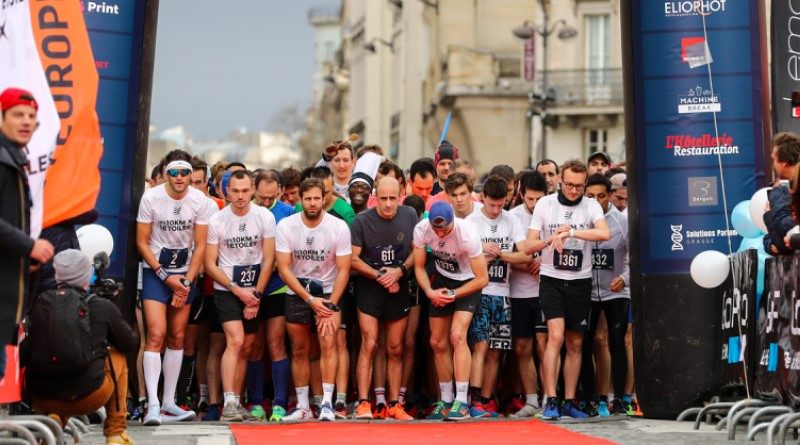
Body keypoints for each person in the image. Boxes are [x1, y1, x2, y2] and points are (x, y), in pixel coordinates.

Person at [524, 159, 609, 420]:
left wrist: (572, 232)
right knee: (556, 337)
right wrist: (551, 239)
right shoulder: (545, 204)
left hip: (580, 281)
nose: (573, 191)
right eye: (569, 185)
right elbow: (528, 246)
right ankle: (551, 399)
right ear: (560, 181)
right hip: (551, 278)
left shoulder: (591, 205)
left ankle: (569, 400)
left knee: (575, 341)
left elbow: (603, 234)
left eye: (578, 186)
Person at [136, 150, 216, 425]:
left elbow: (201, 244)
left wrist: (187, 281)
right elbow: (142, 242)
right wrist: (163, 274)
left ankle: (169, 401)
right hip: (156, 273)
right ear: (166, 174)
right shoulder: (152, 197)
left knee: (178, 336)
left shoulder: (199, 201)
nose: (180, 178)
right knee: (156, 333)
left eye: (184, 173)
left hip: (184, 275)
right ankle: (153, 405)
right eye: (174, 173)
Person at [27, 250, 139, 445]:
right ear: (87, 276)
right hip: (89, 396)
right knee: (117, 354)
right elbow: (130, 343)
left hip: (43, 397)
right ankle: (115, 432)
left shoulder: (41, 302)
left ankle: (54, 419)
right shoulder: (101, 306)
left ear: (57, 275)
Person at [276, 178, 352, 422]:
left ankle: (328, 404)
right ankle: (302, 406)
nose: (312, 203)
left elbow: (344, 270)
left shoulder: (338, 227)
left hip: (329, 292)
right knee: (299, 349)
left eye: (316, 198)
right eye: (307, 198)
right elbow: (284, 269)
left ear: (324, 199)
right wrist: (309, 299)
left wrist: (330, 303)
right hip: (298, 293)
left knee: (328, 346)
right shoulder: (287, 226)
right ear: (300, 199)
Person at [204, 170, 276, 422]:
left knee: (246, 347)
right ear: (227, 192)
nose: (240, 196)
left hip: (255, 288)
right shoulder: (217, 221)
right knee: (234, 341)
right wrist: (237, 290)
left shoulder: (265, 217)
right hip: (228, 289)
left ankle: (235, 399)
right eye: (235, 191)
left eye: (245, 190)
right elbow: (209, 264)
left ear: (253, 190)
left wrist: (255, 295)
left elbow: (269, 259)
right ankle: (230, 403)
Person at [413, 201, 489, 420]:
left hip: (468, 282)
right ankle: (446, 400)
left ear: (452, 221)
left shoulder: (467, 234)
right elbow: (419, 266)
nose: (440, 233)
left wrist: (454, 295)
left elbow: (483, 278)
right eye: (436, 229)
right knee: (437, 342)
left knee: (457, 336)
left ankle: (462, 401)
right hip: (442, 279)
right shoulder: (421, 229)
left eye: (444, 228)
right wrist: (429, 291)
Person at [350, 178, 417, 420]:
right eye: (383, 199)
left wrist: (399, 271)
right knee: (369, 344)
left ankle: (394, 404)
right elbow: (352, 260)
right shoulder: (362, 221)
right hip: (370, 287)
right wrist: (381, 276)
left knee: (396, 348)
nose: (388, 204)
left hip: (398, 286)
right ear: (374, 198)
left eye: (393, 198)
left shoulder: (409, 215)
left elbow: (417, 251)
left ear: (401, 196)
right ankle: (364, 402)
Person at [0, 87, 54, 380]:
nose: (25, 121)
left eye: (31, 116)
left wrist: (24, 255)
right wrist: (28, 246)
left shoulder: (15, 159)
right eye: (17, 114)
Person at [465, 176, 528, 418]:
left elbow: (524, 256)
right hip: (479, 291)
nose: (496, 210)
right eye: (492, 205)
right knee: (479, 346)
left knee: (496, 350)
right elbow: (463, 259)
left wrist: (501, 254)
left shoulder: (512, 220)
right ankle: (474, 398)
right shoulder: (471, 221)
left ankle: (487, 400)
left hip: (503, 293)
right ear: (483, 198)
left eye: (500, 205)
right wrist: (483, 253)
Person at [582, 173, 630, 417]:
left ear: (609, 196)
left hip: (615, 291)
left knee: (617, 341)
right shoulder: (581, 218)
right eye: (590, 196)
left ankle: (620, 398)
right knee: (585, 343)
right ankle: (590, 399)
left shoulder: (621, 220)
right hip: (586, 290)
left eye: (601, 196)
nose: (596, 200)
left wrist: (624, 277)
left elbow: (633, 254)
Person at [249, 169, 295, 421]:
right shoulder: (247, 210)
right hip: (250, 287)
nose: (266, 203)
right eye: (262, 198)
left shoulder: (288, 212)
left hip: (277, 286)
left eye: (270, 198)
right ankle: (256, 402)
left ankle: (279, 403)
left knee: (276, 343)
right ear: (254, 189)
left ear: (279, 190)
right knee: (254, 345)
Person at [508, 170, 548, 418]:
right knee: (522, 347)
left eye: (538, 199)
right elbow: (507, 254)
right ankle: (531, 400)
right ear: (521, 193)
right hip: (519, 291)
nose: (533, 204)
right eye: (529, 199)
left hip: (546, 290)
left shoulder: (552, 211)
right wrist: (527, 262)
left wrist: (544, 260)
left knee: (545, 347)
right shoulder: (512, 217)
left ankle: (548, 398)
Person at [764, 132, 800, 255]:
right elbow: (781, 242)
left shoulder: (782, 190)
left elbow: (786, 230)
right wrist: (769, 244)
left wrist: (769, 215)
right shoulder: (783, 188)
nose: (773, 164)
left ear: (783, 162)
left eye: (774, 159)